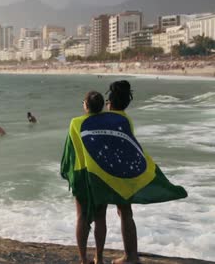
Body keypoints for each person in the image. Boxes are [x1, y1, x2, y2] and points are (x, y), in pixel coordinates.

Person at [62, 81, 187, 264]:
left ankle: (90, 259)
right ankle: (131, 256)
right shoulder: (123, 119)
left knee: (91, 216)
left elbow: (73, 152)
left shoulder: (81, 122)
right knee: (125, 212)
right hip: (122, 175)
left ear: (107, 103)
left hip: (97, 176)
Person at [62, 91, 107, 264]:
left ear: (86, 106)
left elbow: (69, 150)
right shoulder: (108, 123)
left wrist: (66, 171)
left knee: (81, 216)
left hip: (82, 174)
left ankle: (83, 259)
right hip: (102, 174)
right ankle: (100, 258)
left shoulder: (75, 122)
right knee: (101, 217)